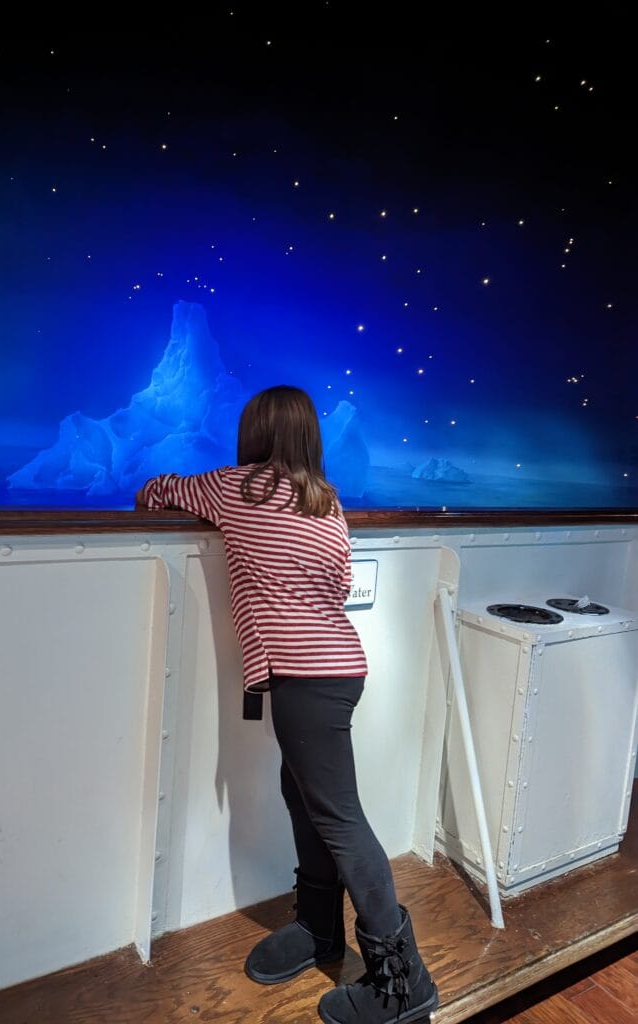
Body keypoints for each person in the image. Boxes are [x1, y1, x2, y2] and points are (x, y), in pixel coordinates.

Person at [136, 385, 438, 1024]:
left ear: (256, 433)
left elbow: (158, 487)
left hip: (304, 679)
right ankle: (318, 927)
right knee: (304, 796)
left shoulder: (232, 488)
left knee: (339, 819)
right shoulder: (326, 505)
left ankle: (402, 979)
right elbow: (334, 585)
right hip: (338, 669)